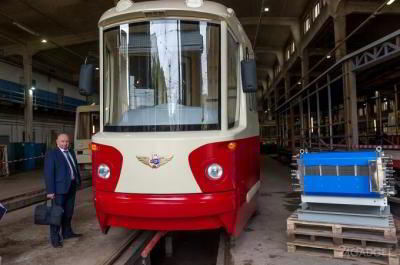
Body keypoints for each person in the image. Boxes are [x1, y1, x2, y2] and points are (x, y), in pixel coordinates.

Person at [44, 133, 82, 248]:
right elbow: (48, 174)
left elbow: (74, 167)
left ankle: (67, 233)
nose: (65, 143)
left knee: (69, 212)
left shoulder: (71, 152)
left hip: (71, 187)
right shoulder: (52, 154)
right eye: (62, 141)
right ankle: (55, 239)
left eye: (67, 141)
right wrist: (50, 191)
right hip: (59, 190)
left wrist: (78, 181)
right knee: (57, 215)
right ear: (57, 142)